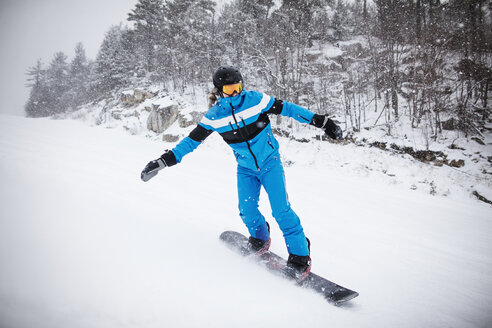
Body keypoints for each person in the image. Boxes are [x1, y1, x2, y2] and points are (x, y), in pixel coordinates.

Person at [141, 66, 342, 281]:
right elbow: (191, 142)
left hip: (270, 162)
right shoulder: (214, 117)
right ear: (219, 92)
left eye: (237, 87)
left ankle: (300, 257)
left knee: (281, 210)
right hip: (245, 168)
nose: (235, 94)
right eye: (229, 90)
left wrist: (322, 122)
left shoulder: (256, 100)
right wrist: (163, 161)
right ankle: (260, 238)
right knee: (246, 209)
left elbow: (289, 109)